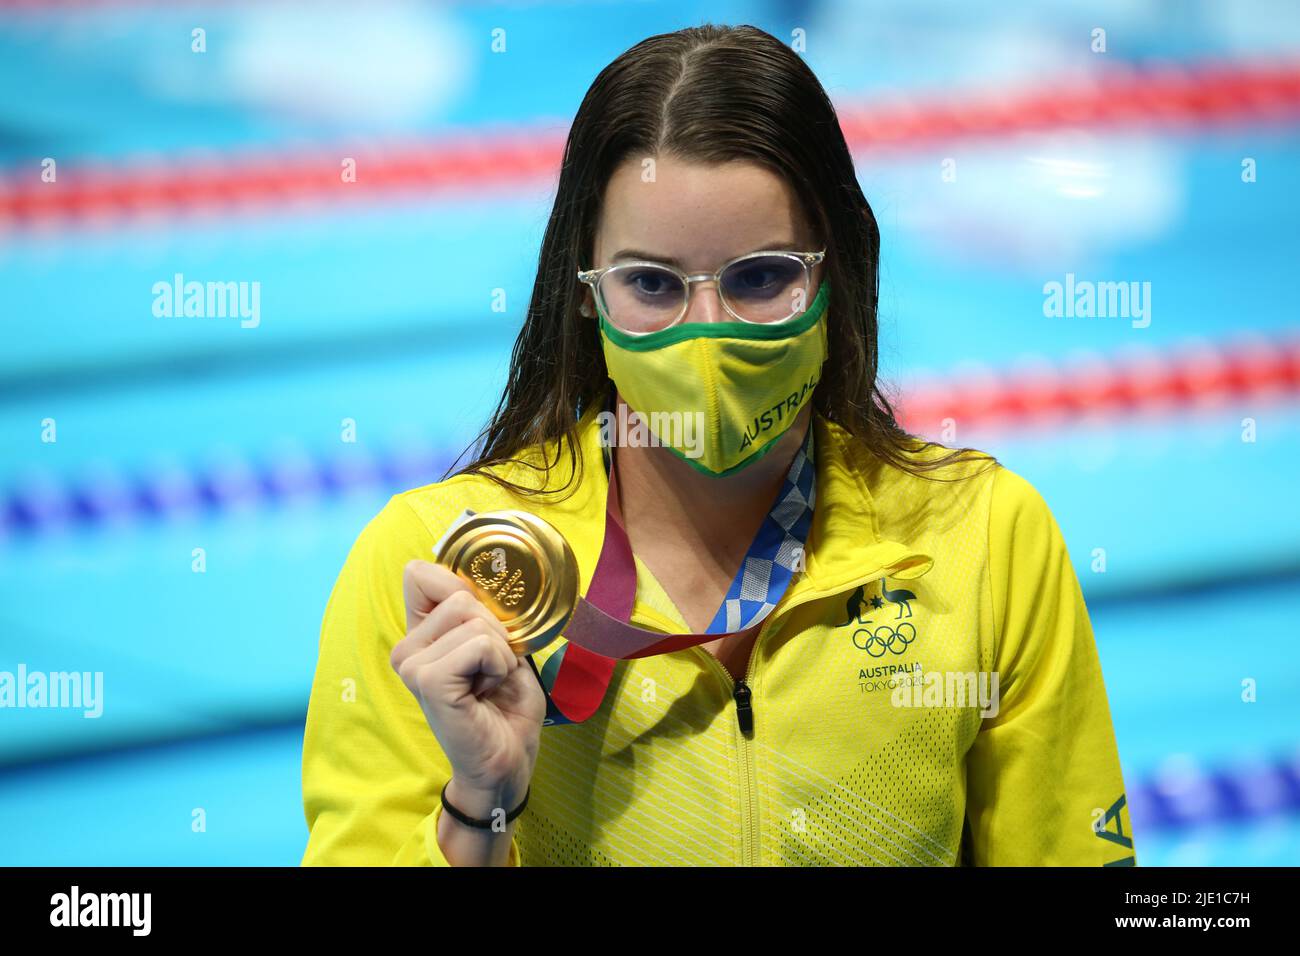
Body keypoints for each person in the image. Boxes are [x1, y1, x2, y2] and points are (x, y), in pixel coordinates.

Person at [300, 23, 1135, 867]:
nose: (706, 337)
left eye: (761, 277)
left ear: (834, 274)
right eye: (652, 284)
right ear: (585, 292)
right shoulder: (448, 575)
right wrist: (480, 808)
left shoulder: (984, 541)